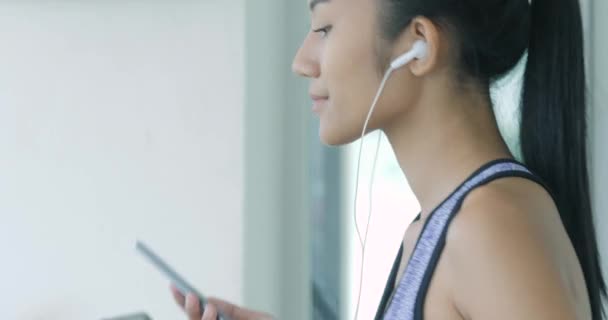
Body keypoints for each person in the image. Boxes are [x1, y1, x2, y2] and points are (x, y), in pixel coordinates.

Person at [171, 0, 607, 318]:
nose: (301, 62)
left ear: (419, 44)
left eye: (324, 29)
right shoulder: (436, 229)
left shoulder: (488, 227)